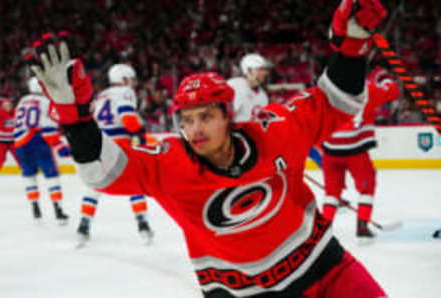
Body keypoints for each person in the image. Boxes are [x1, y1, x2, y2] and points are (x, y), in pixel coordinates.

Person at [29, 1, 388, 296]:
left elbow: (336, 100)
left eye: (205, 116)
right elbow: (100, 171)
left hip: (325, 270)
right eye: (186, 119)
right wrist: (74, 119)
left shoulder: (277, 130)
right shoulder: (169, 164)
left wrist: (352, 46)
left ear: (228, 116)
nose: (194, 129)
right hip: (241, 293)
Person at [321, 67, 400, 244]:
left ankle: (324, 233)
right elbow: (392, 91)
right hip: (354, 149)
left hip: (330, 149)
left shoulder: (323, 91)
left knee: (331, 193)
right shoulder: (367, 88)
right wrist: (383, 77)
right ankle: (362, 227)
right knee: (367, 186)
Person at [77, 63, 154, 244]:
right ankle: (142, 223)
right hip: (118, 144)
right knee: (135, 184)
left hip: (97, 143)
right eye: (131, 79)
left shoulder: (101, 95)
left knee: (95, 186)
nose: (133, 83)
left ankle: (84, 224)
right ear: (124, 79)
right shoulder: (124, 93)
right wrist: (139, 133)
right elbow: (127, 117)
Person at [14, 77, 70, 222]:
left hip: (20, 142)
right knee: (52, 176)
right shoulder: (47, 102)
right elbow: (48, 128)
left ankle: (35, 207)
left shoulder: (22, 101)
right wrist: (60, 147)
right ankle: (58, 209)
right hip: (38, 140)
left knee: (29, 176)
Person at [227, 53, 270, 122]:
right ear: (250, 71)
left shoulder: (263, 96)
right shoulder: (234, 85)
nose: (265, 73)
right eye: (261, 69)